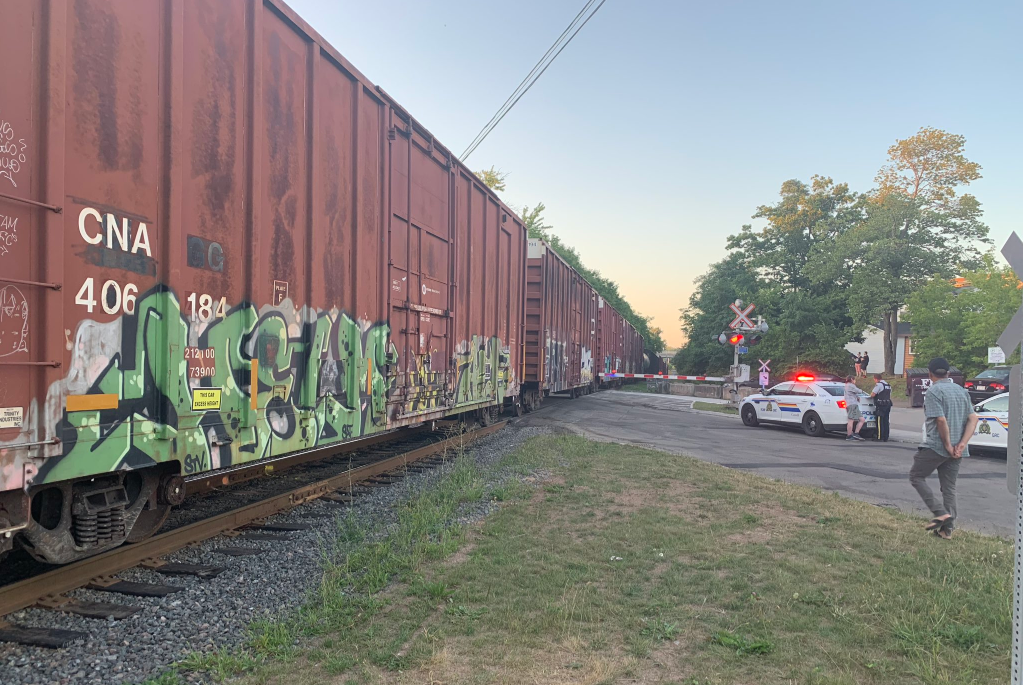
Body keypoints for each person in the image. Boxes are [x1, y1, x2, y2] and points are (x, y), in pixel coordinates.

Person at [909, 357, 978, 540]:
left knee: (916, 476)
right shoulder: (961, 391)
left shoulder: (934, 391)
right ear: (948, 373)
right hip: (958, 450)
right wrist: (961, 444)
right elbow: (973, 418)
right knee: (949, 488)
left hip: (937, 447)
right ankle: (946, 531)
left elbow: (940, 420)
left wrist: (947, 445)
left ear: (930, 374)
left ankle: (940, 513)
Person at [870, 373, 892, 441]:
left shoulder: (879, 385)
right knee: (886, 420)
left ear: (876, 378)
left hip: (881, 405)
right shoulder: (888, 385)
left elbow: (873, 394)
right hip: (888, 404)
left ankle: (879, 437)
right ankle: (886, 437)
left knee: (879, 421)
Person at [844, 376, 865, 441]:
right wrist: (862, 391)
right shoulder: (850, 385)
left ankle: (856, 433)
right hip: (851, 404)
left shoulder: (847, 386)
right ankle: (849, 435)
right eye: (854, 380)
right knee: (851, 420)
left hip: (854, 404)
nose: (855, 381)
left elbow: (853, 393)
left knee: (862, 419)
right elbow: (859, 391)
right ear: (852, 379)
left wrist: (857, 397)